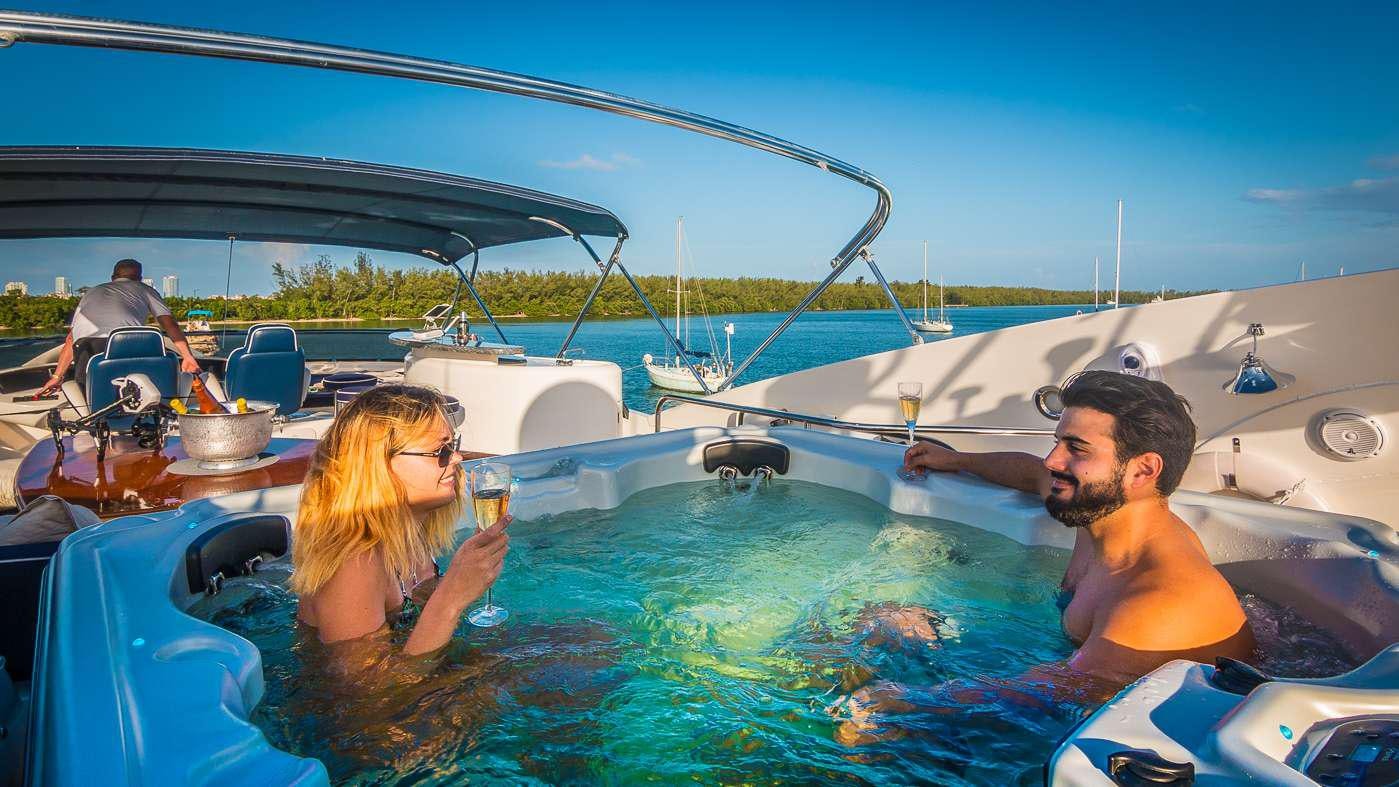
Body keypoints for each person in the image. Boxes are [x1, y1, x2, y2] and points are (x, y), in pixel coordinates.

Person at [835, 371, 1253, 741]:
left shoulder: (1159, 600)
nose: (1054, 460)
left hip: (1154, 730)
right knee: (883, 618)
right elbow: (1031, 472)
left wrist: (904, 702)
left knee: (866, 731)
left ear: (1143, 471)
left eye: (1077, 448)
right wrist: (957, 460)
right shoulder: (1101, 514)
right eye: (1057, 443)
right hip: (1071, 668)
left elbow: (1053, 693)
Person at [293, 384, 509, 659]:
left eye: (453, 445)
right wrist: (452, 595)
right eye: (439, 451)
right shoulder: (353, 564)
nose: (456, 458)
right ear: (379, 464)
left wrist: (471, 577)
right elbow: (369, 695)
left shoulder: (408, 532)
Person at [36, 259, 203, 397]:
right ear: (139, 278)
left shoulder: (91, 292)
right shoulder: (144, 289)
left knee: (90, 394)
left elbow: (71, 339)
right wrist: (188, 357)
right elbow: (169, 324)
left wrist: (57, 376)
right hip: (123, 345)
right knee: (148, 378)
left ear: (112, 277)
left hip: (86, 347)